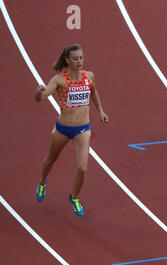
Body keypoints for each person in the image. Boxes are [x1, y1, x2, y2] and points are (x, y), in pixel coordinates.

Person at [35, 44, 109, 216]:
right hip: (63, 129)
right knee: (50, 159)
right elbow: (42, 97)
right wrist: (38, 93)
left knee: (82, 168)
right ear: (67, 60)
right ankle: (42, 183)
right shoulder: (59, 79)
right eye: (75, 59)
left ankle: (74, 197)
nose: (79, 61)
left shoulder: (89, 76)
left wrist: (101, 111)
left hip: (83, 129)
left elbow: (94, 92)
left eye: (81, 58)